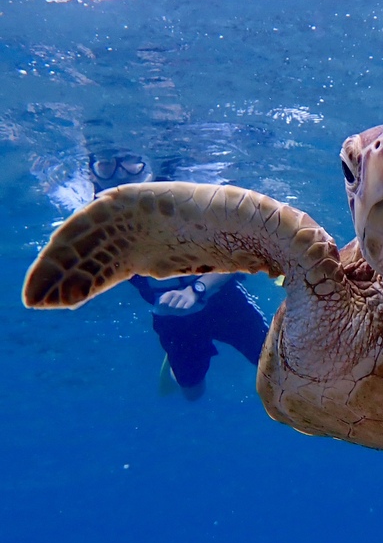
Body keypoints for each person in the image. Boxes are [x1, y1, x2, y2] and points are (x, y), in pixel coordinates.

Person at [89, 152, 270, 401]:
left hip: (223, 300)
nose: (120, 173)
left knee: (276, 366)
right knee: (193, 393)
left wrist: (197, 290)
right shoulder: (95, 228)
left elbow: (239, 255)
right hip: (171, 317)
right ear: (92, 174)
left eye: (130, 162)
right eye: (107, 165)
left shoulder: (185, 201)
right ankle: (178, 367)